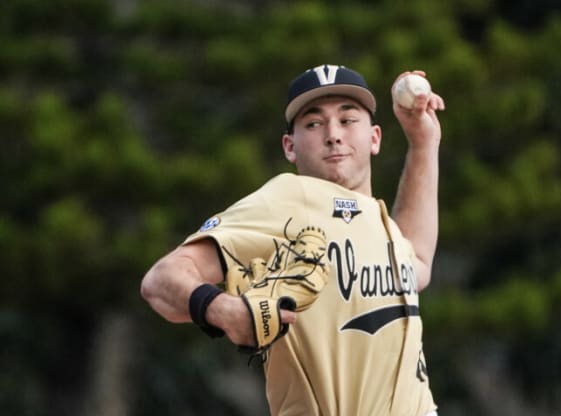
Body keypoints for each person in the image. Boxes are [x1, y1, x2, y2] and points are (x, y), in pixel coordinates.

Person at [141, 64, 445, 415]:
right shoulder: (289, 197)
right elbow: (160, 279)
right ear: (289, 146)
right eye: (314, 124)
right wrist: (222, 309)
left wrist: (423, 142)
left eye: (348, 120)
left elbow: (418, 261)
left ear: (374, 137)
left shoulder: (379, 222)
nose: (333, 134)